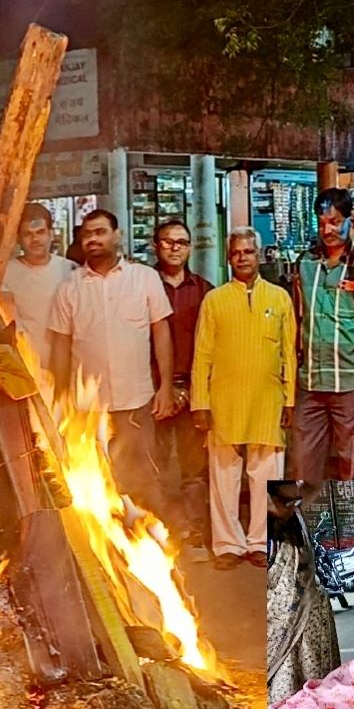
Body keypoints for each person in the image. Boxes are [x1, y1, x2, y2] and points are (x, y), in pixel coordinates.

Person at [48, 210, 176, 513]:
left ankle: (155, 537)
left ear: (117, 235)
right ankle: (108, 542)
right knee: (97, 481)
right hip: (89, 407)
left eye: (100, 232)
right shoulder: (69, 287)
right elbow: (61, 347)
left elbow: (161, 334)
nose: (93, 239)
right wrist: (61, 398)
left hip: (137, 401)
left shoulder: (143, 278)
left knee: (144, 477)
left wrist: (166, 387)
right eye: (87, 234)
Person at [191, 228, 293, 567]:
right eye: (236, 252)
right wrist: (200, 403)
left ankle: (261, 543)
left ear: (258, 255)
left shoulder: (279, 297)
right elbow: (202, 355)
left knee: (266, 476)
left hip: (268, 399)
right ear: (228, 257)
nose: (242, 257)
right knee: (224, 475)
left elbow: (289, 353)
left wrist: (289, 399)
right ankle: (227, 545)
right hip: (223, 400)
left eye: (248, 251)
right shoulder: (215, 299)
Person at [289, 189, 354, 481]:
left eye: (335, 222)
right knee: (303, 466)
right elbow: (297, 316)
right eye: (322, 223)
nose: (328, 230)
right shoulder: (306, 262)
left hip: (352, 381)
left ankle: (352, 514)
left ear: (350, 220)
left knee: (353, 466)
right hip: (310, 381)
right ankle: (308, 513)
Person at [151, 219, 213, 542]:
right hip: (154, 390)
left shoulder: (204, 291)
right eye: (168, 241)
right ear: (155, 246)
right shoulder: (144, 286)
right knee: (155, 465)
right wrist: (164, 388)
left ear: (190, 248)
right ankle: (163, 528)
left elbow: (212, 346)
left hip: (193, 390)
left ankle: (195, 529)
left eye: (182, 242)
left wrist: (190, 389)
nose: (175, 248)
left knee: (194, 468)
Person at [267, 481, 340, 705]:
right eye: (287, 502)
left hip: (313, 629)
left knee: (318, 698)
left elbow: (312, 484)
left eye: (296, 502)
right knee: (287, 700)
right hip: (282, 639)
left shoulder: (293, 520)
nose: (294, 508)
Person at [0, 204, 76, 389]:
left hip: (69, 368)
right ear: (18, 238)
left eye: (40, 232)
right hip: (25, 369)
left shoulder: (71, 270)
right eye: (28, 234)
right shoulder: (4, 274)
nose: (35, 239)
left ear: (51, 234)